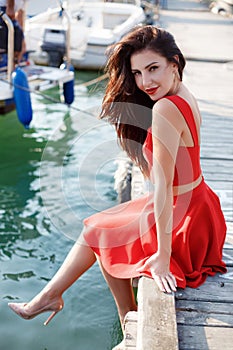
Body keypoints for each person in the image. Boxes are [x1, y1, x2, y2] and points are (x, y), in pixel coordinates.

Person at [8, 25, 227, 348]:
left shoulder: (166, 108)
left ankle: (121, 317)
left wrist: (163, 258)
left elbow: (165, 186)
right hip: (200, 204)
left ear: (174, 63)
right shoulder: (182, 94)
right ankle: (56, 297)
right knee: (98, 228)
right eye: (137, 73)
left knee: (102, 235)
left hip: (183, 216)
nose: (145, 82)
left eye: (153, 69)